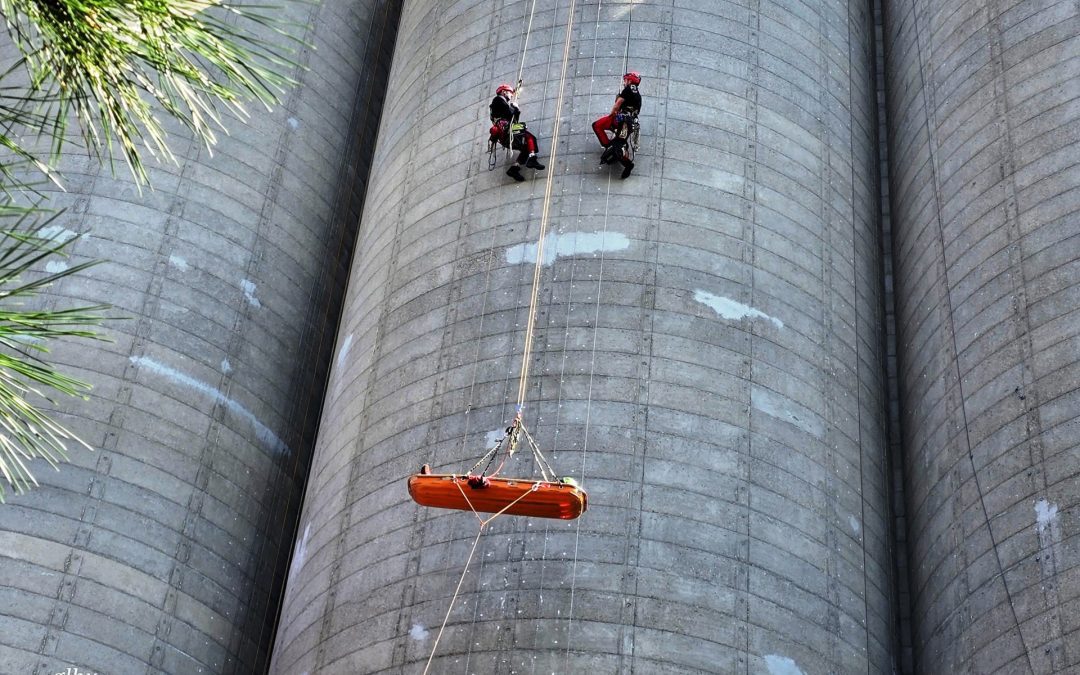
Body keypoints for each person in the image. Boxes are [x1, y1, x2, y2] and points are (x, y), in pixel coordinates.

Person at [489, 83, 545, 182]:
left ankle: (514, 168)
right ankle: (532, 159)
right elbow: (510, 114)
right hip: (505, 130)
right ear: (503, 92)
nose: (511, 96)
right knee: (530, 137)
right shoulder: (498, 100)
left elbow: (514, 120)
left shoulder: (501, 104)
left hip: (505, 134)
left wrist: (516, 110)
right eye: (510, 93)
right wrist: (514, 108)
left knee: (526, 148)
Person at [592, 72, 642, 178]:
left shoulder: (628, 89)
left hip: (624, 122)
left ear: (630, 81)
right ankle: (610, 146)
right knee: (597, 125)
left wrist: (611, 114)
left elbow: (617, 104)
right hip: (621, 120)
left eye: (626, 80)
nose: (624, 82)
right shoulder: (636, 93)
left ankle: (628, 165)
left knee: (598, 126)